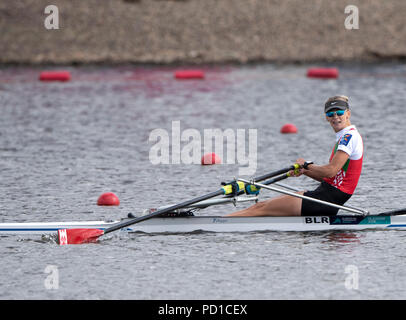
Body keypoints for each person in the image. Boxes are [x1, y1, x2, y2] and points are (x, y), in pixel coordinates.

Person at [226, 95, 363, 217]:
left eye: (339, 112)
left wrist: (307, 165)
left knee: (259, 207)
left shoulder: (348, 137)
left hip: (326, 200)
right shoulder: (345, 137)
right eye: (331, 114)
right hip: (326, 198)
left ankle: (222, 222)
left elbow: (330, 171)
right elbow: (330, 178)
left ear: (348, 114)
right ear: (326, 117)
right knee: (261, 207)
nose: (335, 117)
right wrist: (305, 171)